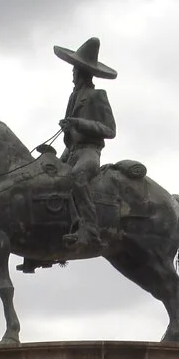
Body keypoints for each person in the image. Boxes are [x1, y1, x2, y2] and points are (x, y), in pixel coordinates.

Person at [52, 37, 117, 249]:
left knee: (78, 178)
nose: (72, 77)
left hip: (90, 152)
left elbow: (110, 130)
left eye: (74, 73)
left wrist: (79, 123)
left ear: (82, 73)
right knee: (47, 178)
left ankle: (89, 229)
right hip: (70, 151)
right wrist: (67, 127)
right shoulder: (73, 97)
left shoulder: (98, 96)